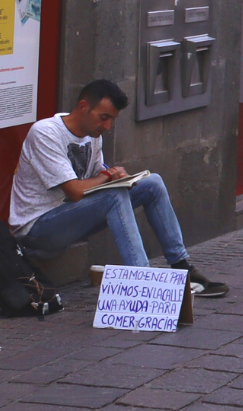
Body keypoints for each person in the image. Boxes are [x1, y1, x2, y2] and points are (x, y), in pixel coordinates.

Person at [10, 80, 227, 297]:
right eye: (103, 118)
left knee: (153, 183)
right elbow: (75, 191)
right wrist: (107, 176)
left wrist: (116, 175)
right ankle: (142, 281)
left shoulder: (93, 136)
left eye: (112, 120)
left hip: (70, 218)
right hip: (35, 230)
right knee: (114, 195)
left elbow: (97, 176)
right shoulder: (45, 133)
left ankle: (182, 267)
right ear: (84, 107)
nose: (107, 127)